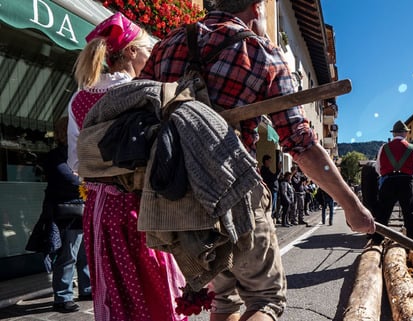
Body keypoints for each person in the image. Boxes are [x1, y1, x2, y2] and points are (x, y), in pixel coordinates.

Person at [138, 1, 375, 320]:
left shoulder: (166, 45)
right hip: (232, 192)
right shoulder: (260, 51)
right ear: (257, 7)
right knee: (265, 299)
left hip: (175, 199)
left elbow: (139, 113)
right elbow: (300, 144)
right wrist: (352, 207)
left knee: (225, 300)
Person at [67, 12, 186, 321]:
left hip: (100, 208)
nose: (151, 54)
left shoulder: (79, 98)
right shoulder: (144, 92)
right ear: (132, 52)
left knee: (119, 295)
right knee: (156, 287)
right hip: (143, 204)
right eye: (147, 48)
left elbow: (76, 162)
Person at [30, 117, 91, 313]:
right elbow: (70, 179)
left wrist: (81, 177)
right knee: (67, 256)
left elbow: (81, 177)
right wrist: (84, 178)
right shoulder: (56, 155)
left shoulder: (78, 153)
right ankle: (62, 298)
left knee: (85, 255)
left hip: (82, 209)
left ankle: (87, 289)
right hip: (67, 213)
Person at [372, 120, 413, 242]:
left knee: (383, 212)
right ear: (404, 133)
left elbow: (378, 168)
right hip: (406, 181)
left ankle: (377, 238)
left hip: (388, 181)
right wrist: (407, 175)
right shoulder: (412, 147)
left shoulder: (384, 147)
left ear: (394, 134)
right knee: (410, 212)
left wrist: (388, 174)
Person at [260, 154, 280, 222]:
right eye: (269, 161)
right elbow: (272, 178)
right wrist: (278, 171)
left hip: (273, 190)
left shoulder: (267, 169)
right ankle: (269, 221)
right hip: (270, 190)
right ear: (266, 161)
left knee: (273, 207)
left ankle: (270, 220)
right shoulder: (264, 170)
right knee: (271, 207)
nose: (270, 162)